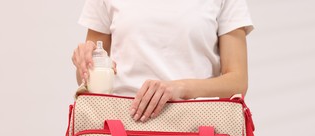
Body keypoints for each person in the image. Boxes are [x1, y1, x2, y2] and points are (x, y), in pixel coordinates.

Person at [72, 0, 254, 122]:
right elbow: (87, 80)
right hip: (121, 127)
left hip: (196, 129)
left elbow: (238, 82)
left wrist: (181, 88)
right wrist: (84, 63)